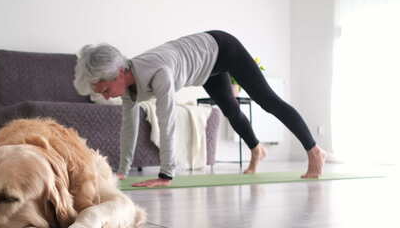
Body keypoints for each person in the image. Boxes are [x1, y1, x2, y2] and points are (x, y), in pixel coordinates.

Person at [73, 30, 326, 187]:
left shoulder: (159, 73)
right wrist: (121, 172)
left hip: (224, 48)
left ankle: (314, 151)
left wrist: (165, 175)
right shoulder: (128, 87)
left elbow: (167, 121)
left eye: (105, 90)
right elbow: (129, 126)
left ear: (119, 72)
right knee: (230, 109)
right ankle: (256, 150)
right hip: (205, 66)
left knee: (267, 100)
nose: (106, 97)